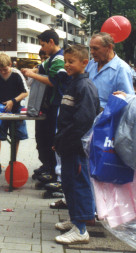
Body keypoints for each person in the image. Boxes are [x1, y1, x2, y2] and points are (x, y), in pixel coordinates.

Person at [53, 44, 100, 245]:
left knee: (79, 185)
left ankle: (81, 229)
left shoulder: (84, 86)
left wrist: (64, 141)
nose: (67, 65)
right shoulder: (73, 83)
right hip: (68, 145)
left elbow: (82, 121)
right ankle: (75, 220)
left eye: (71, 61)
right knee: (69, 184)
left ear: (84, 63)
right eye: (66, 61)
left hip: (76, 147)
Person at [21, 29, 69, 185]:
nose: (42, 49)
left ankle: (52, 170)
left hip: (56, 105)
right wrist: (32, 70)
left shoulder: (59, 59)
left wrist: (32, 75)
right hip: (47, 105)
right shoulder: (52, 58)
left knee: (50, 138)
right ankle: (46, 165)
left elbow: (54, 81)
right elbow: (42, 68)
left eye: (43, 45)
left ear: (51, 42)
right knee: (42, 137)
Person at [0, 53, 28, 174]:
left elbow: (25, 92)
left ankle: (13, 162)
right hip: (0, 109)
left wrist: (13, 101)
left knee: (15, 135)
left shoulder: (17, 75)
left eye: (5, 69)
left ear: (10, 65)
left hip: (16, 108)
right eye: (0, 69)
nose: (2, 72)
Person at [86, 32, 134, 109]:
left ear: (109, 47)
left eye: (95, 48)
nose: (91, 52)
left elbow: (128, 100)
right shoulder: (91, 64)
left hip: (107, 117)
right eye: (90, 48)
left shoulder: (121, 69)